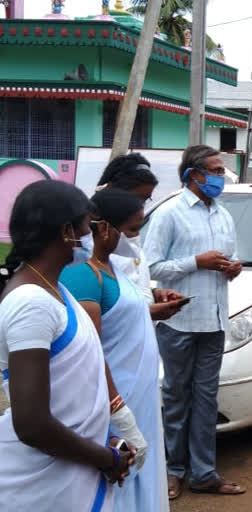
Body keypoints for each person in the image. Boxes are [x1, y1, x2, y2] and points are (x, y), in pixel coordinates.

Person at [0, 181, 133, 511]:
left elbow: (71, 393)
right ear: (65, 232)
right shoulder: (31, 303)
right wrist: (105, 458)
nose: (91, 237)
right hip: (41, 487)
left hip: (70, 468)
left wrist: (105, 437)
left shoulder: (53, 289)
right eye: (87, 227)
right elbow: (32, 424)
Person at [61, 188, 171, 512]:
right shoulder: (84, 276)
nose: (136, 240)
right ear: (105, 228)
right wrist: (119, 411)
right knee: (118, 484)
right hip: (117, 400)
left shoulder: (114, 269)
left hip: (141, 396)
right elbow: (89, 353)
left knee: (142, 480)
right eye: (133, 230)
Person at [143, 145, 243, 499]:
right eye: (215, 170)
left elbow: (233, 257)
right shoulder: (169, 213)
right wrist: (194, 262)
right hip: (179, 320)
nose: (221, 177)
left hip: (214, 320)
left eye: (221, 171)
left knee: (206, 398)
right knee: (175, 397)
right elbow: (151, 268)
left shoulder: (223, 215)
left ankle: (204, 473)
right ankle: (172, 471)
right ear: (194, 175)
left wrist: (234, 268)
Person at [95, 153, 185, 321]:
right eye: (136, 198)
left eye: (145, 200)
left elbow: (129, 282)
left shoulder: (129, 233)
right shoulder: (97, 246)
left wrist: (153, 294)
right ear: (112, 190)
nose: (139, 207)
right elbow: (100, 304)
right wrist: (147, 312)